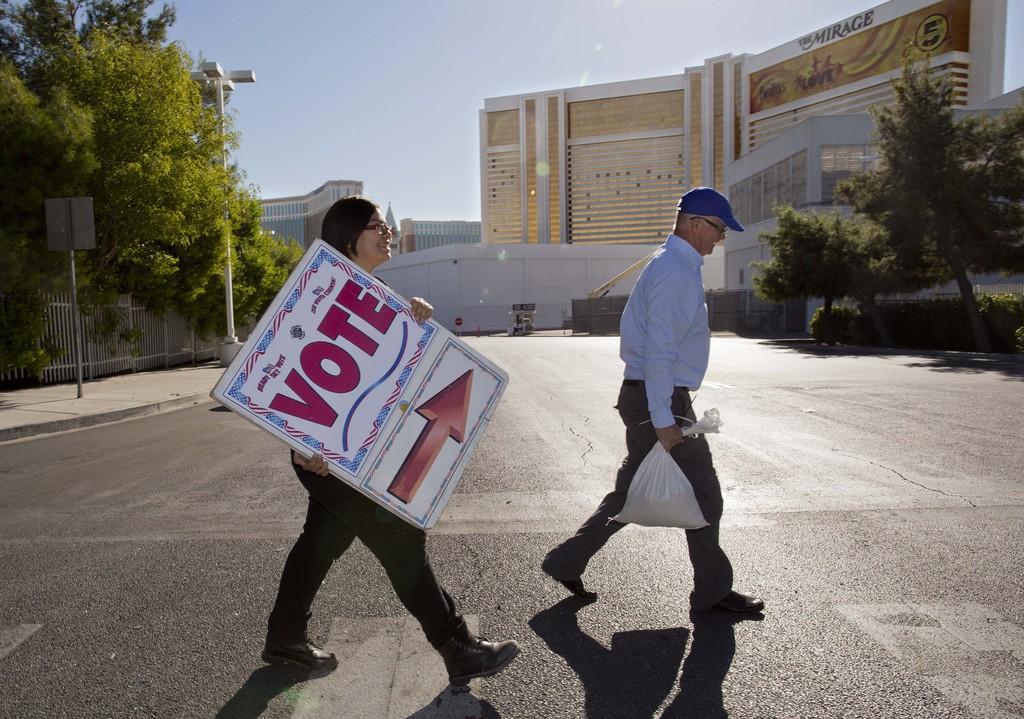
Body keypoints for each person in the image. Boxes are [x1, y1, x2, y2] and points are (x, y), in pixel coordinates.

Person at [262, 196, 520, 684]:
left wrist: (414, 322)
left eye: (385, 225)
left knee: (320, 541)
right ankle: (456, 644)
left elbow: (391, 377)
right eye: (376, 226)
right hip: (324, 454)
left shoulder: (375, 294)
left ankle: (285, 638)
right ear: (348, 237)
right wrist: (300, 445)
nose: (387, 232)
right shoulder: (321, 291)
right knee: (400, 538)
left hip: (354, 454)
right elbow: (283, 371)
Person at [541, 187, 764, 616]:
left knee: (628, 493)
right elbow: (660, 350)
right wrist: (665, 419)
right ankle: (713, 593)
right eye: (718, 229)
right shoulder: (674, 271)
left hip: (650, 396)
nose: (721, 238)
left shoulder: (673, 265)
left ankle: (565, 561)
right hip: (657, 400)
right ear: (696, 223)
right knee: (705, 495)